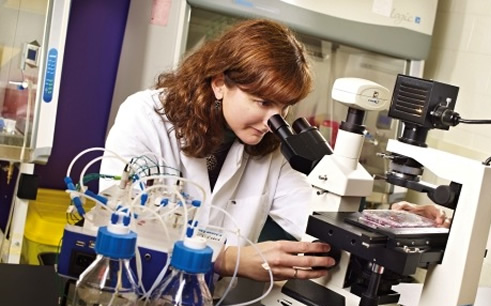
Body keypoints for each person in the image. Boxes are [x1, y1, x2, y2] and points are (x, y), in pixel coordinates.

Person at [100, 18, 447, 284]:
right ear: (220, 83)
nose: (273, 120)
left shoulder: (270, 150)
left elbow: (318, 219)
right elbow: (120, 221)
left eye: (283, 106)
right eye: (262, 101)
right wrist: (225, 259)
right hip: (130, 293)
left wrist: (385, 222)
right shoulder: (146, 116)